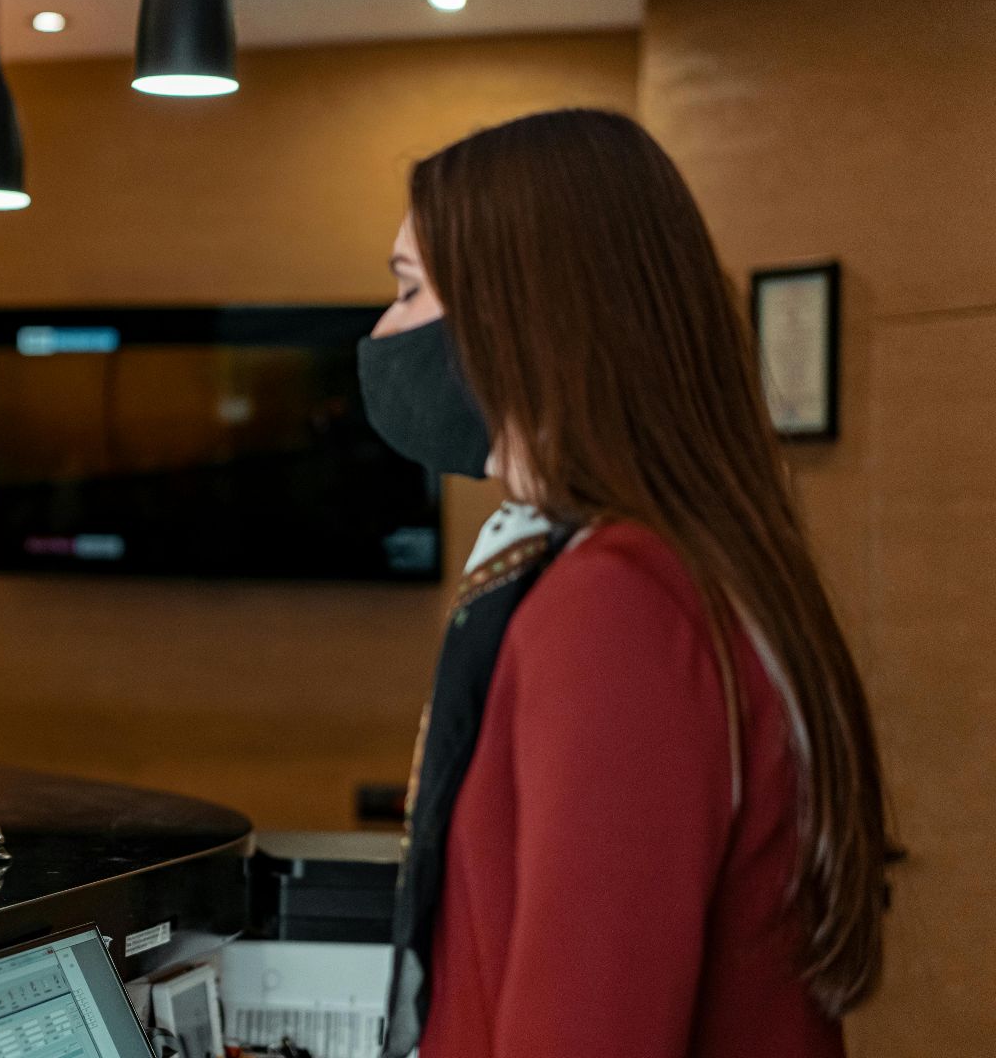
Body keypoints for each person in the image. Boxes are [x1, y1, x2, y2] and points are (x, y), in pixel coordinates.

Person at [361, 109, 888, 1058]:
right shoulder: (669, 565)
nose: (382, 329)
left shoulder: (615, 606)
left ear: (517, 312)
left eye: (407, 290)